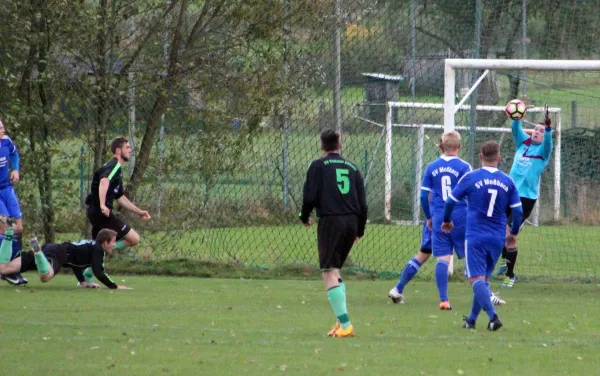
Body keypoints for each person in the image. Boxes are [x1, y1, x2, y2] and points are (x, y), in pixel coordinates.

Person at [388, 133, 505, 307]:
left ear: (441, 146)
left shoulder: (431, 167)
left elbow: (422, 196)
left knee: (438, 257)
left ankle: (440, 299)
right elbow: (472, 191)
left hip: (436, 217)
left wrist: (429, 217)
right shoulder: (464, 167)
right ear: (459, 146)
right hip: (460, 216)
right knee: (473, 255)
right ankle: (486, 294)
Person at [442, 141, 522, 331]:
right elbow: (517, 211)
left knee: (475, 280)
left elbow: (450, 201)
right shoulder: (507, 181)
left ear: (480, 157)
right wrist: (514, 233)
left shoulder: (471, 178)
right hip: (497, 237)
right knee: (484, 280)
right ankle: (471, 320)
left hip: (476, 236)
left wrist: (447, 220)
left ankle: (494, 317)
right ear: (499, 158)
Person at [299, 130, 368, 338]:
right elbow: (363, 204)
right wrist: (359, 230)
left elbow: (309, 196)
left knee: (328, 271)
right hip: (351, 222)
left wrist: (304, 216)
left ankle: (346, 325)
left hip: (331, 221)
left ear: (322, 146)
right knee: (335, 269)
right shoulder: (353, 167)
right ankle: (340, 322)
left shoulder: (317, 166)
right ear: (340, 144)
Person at [496, 104, 553, 288]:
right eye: (535, 129)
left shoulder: (543, 152)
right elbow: (515, 127)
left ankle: (510, 276)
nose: (537, 132)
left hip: (525, 199)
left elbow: (549, 142)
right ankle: (506, 261)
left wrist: (548, 126)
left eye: (541, 131)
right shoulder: (523, 143)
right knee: (499, 230)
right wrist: (517, 114)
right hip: (509, 193)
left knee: (509, 235)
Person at [0, 226, 132, 289]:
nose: (115, 245)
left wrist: (83, 282)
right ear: (105, 243)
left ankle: (9, 234)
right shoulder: (98, 250)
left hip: (52, 249)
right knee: (45, 277)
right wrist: (114, 286)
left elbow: (76, 264)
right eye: (113, 242)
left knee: (3, 269)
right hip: (59, 253)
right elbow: (99, 272)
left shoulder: (91, 247)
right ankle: (38, 254)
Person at [0, 117, 27, 285]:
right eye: (0, 128)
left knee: (18, 228)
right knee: (6, 228)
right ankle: (5, 270)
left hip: (7, 189)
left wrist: (15, 170)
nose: (3, 130)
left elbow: (14, 154)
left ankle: (12, 269)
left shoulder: (6, 141)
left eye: (2, 126)